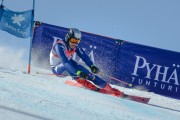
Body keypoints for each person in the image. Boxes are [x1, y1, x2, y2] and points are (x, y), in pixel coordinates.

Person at [50, 28, 124, 97]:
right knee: (71, 65)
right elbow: (65, 62)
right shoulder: (59, 46)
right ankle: (84, 82)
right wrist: (78, 73)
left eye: (77, 41)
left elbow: (84, 57)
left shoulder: (75, 46)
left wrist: (92, 66)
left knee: (88, 74)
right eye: (73, 41)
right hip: (58, 70)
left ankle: (112, 90)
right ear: (67, 38)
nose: (74, 43)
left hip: (69, 66)